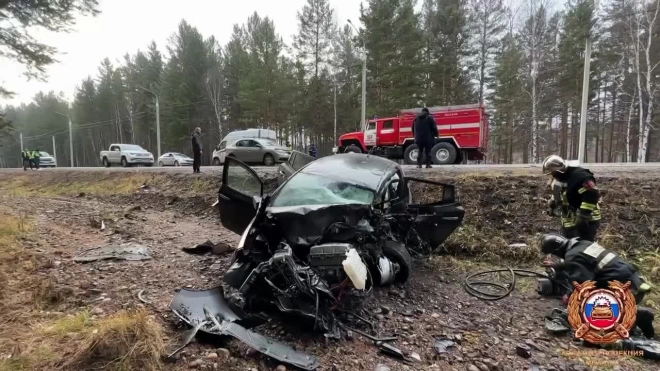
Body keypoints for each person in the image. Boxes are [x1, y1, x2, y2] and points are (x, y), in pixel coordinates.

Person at [541, 234, 654, 338]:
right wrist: (559, 266)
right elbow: (584, 260)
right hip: (634, 280)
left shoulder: (572, 256)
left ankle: (637, 315)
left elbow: (583, 285)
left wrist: (570, 298)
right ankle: (633, 324)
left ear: (557, 251)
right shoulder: (583, 243)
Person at [542, 155, 601, 241]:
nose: (552, 176)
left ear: (560, 171)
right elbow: (558, 194)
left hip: (588, 219)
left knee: (584, 246)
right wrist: (552, 205)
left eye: (553, 173)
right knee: (569, 247)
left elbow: (591, 195)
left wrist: (583, 216)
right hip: (568, 220)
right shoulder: (559, 179)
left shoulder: (580, 177)